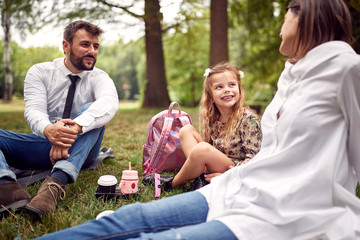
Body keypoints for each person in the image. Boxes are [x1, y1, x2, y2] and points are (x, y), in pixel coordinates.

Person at [35, 0, 360, 239]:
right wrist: (234, 175)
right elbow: (273, 155)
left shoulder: (347, 70)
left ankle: (170, 183)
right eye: (218, 86)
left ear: (305, 15)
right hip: (240, 187)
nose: (280, 25)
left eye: (287, 12)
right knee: (123, 218)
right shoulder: (291, 76)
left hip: (280, 216)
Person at [0, 20, 119, 216]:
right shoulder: (39, 72)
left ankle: (54, 186)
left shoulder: (99, 77)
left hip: (83, 150)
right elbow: (34, 111)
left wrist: (73, 129)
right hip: (43, 146)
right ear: (66, 46)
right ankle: (5, 188)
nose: (92, 51)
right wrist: (50, 130)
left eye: (95, 46)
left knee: (93, 111)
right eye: (85, 44)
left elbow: (109, 103)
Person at [143, 63, 262, 191]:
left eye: (232, 85)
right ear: (210, 95)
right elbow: (211, 146)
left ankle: (172, 184)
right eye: (219, 87)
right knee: (186, 130)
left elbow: (255, 157)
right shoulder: (214, 116)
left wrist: (228, 175)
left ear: (239, 88)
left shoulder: (248, 119)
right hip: (216, 161)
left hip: (235, 168)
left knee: (202, 149)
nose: (227, 89)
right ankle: (201, 178)